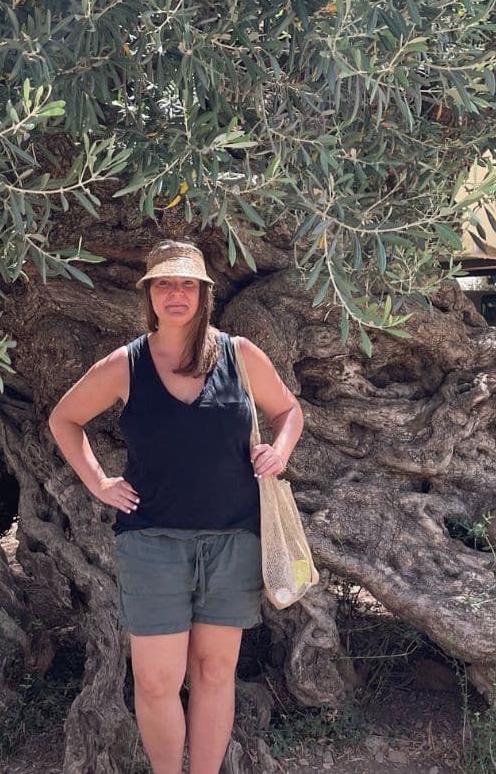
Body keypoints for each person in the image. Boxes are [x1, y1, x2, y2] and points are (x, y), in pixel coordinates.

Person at [49, 240, 303, 774]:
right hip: (151, 542)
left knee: (214, 673)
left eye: (187, 284)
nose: (176, 294)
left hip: (234, 538)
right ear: (148, 294)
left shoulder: (240, 355)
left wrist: (277, 452)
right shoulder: (127, 364)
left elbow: (288, 412)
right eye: (164, 284)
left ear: (205, 294)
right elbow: (63, 419)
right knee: (157, 680)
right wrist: (98, 482)